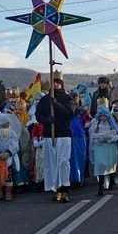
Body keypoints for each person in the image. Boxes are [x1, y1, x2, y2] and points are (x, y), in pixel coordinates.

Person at [35, 70, 76, 203]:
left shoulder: (67, 98)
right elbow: (38, 115)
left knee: (63, 162)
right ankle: (57, 189)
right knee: (52, 163)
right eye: (53, 82)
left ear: (61, 84)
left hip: (64, 134)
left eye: (58, 82)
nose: (55, 84)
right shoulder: (44, 99)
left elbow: (69, 113)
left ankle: (65, 189)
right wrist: (47, 120)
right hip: (49, 135)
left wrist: (56, 104)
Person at [90, 101, 118, 196]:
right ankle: (100, 186)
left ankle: (111, 181)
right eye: (101, 116)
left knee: (110, 164)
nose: (103, 117)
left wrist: (110, 138)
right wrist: (99, 139)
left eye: (105, 116)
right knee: (100, 166)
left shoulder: (111, 125)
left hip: (110, 147)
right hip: (100, 148)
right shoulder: (96, 125)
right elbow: (92, 137)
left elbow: (117, 136)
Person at [69, 91, 90, 186]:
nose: (74, 99)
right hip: (70, 137)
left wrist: (86, 124)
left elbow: (90, 120)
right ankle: (71, 178)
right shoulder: (67, 110)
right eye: (72, 98)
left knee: (81, 158)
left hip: (80, 138)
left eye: (75, 97)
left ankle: (80, 178)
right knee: (71, 159)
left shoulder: (83, 110)